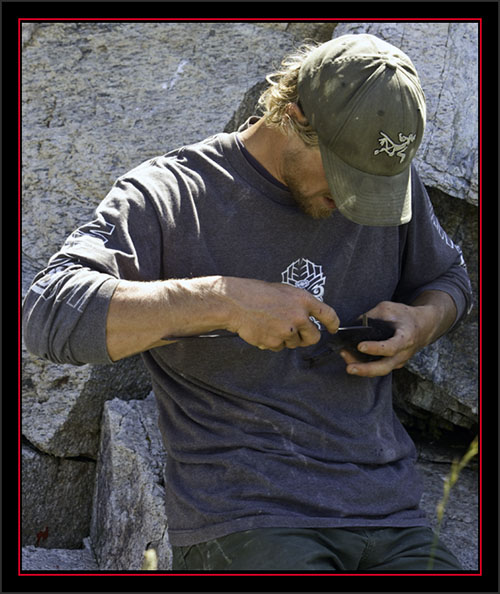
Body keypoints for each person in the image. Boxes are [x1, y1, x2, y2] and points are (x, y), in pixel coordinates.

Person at [22, 33, 472, 571]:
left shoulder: (384, 179)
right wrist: (225, 300)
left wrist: (424, 321)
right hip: (251, 521)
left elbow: (450, 276)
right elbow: (46, 313)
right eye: (346, 178)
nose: (359, 202)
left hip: (393, 518)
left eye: (376, 186)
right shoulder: (172, 196)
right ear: (291, 113)